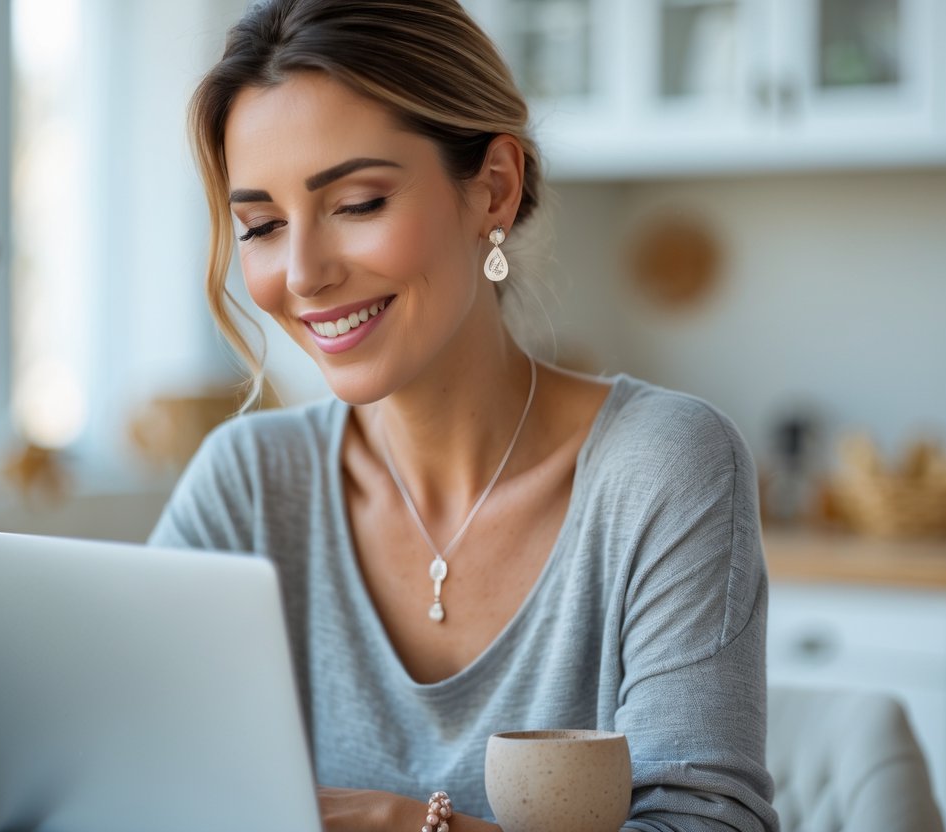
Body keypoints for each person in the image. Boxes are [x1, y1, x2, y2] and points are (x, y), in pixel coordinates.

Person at [149, 1, 779, 830]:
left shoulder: (662, 467)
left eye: (357, 203)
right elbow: (131, 769)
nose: (300, 274)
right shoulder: (249, 482)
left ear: (492, 188)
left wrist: (403, 823)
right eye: (261, 225)